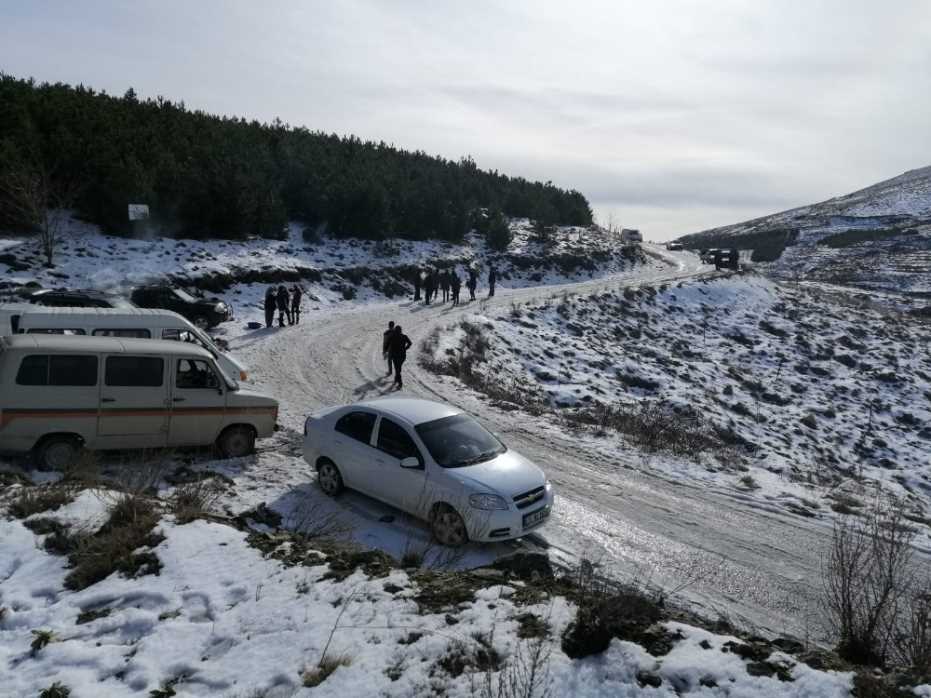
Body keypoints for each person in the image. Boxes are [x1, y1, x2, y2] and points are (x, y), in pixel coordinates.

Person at [386, 325, 412, 390]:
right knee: (398, 368)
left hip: (395, 355)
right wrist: (405, 348)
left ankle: (400, 383)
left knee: (397, 369)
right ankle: (396, 379)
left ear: (395, 330)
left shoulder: (392, 337)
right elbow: (410, 343)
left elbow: (387, 344)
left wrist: (387, 351)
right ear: (401, 330)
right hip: (403, 356)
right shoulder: (404, 336)